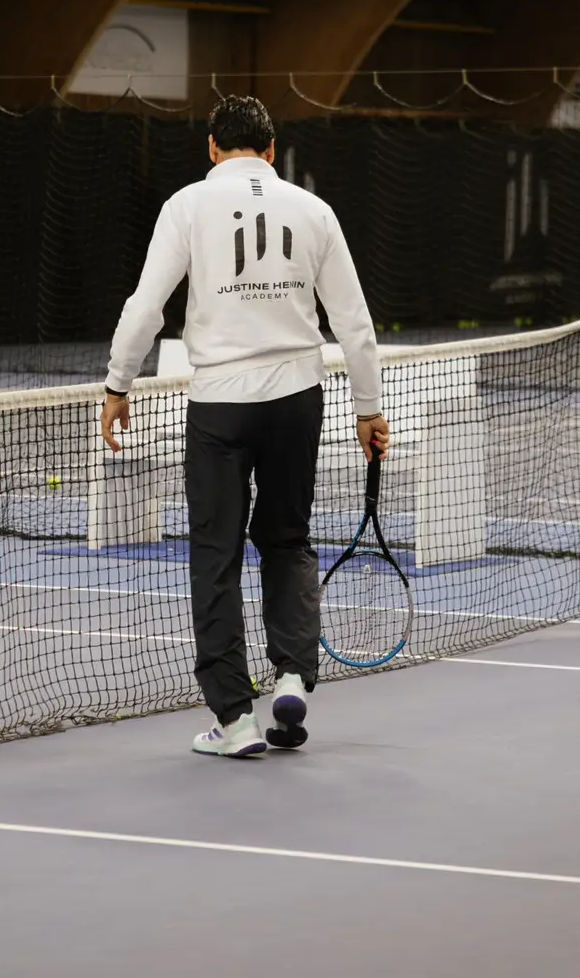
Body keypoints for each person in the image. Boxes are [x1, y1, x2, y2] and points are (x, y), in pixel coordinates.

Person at [99, 96, 388, 759]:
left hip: (220, 406)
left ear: (211, 147)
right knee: (287, 541)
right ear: (272, 147)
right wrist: (368, 409)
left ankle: (234, 720)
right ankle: (291, 677)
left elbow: (145, 307)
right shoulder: (314, 211)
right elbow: (354, 323)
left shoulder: (186, 206)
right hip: (297, 401)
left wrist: (118, 385)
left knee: (216, 556)